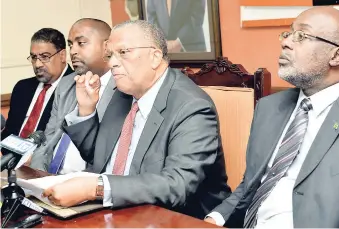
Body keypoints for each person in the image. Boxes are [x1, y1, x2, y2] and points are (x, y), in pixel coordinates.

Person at [205, 6, 339, 228]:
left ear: (337, 55)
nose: (286, 42)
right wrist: (214, 219)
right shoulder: (269, 107)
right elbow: (251, 185)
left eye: (301, 36)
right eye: (288, 34)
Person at [42, 20, 231, 219]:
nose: (112, 63)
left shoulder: (191, 106)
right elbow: (98, 157)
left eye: (123, 52)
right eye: (110, 55)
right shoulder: (122, 94)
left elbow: (176, 185)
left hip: (172, 217)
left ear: (155, 57)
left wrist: (96, 188)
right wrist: (86, 110)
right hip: (113, 211)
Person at [29, 18, 115, 174]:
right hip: (51, 179)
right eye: (70, 45)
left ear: (107, 47)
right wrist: (38, 177)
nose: (73, 51)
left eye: (81, 43)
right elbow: (47, 141)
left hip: (89, 186)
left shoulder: (125, 88)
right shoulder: (67, 83)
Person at [1, 28, 73, 141]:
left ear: (62, 55)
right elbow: (8, 134)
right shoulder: (22, 88)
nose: (37, 64)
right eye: (34, 57)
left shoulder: (75, 87)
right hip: (12, 156)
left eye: (44, 57)